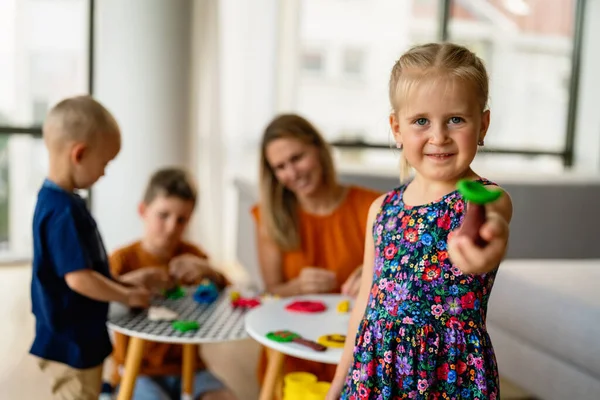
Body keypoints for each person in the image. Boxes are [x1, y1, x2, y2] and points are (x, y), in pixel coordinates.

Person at [327, 42, 513, 400]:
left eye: (456, 119)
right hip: (375, 374)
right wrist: (338, 383)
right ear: (397, 128)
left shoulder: (486, 199)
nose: (438, 135)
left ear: (483, 124)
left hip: (451, 378)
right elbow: (366, 299)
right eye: (421, 121)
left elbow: (490, 231)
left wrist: (483, 246)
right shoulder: (381, 209)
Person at [30, 95, 151, 400]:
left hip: (76, 335)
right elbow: (78, 278)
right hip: (72, 341)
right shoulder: (63, 211)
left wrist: (122, 282)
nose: (105, 172)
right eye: (105, 163)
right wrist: (126, 295)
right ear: (80, 154)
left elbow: (84, 267)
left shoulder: (58, 201)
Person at [251, 114, 381, 382]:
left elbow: (400, 284)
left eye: (297, 158)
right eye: (280, 167)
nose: (292, 173)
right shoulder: (270, 217)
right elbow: (271, 292)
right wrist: (297, 286)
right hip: (294, 348)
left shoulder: (371, 207)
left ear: (319, 150)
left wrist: (373, 275)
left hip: (355, 352)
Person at [109, 167, 237, 400]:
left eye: (181, 220)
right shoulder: (122, 259)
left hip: (191, 367)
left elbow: (231, 298)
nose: (171, 228)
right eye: (163, 215)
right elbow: (98, 300)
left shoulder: (193, 255)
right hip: (138, 370)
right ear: (143, 210)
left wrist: (211, 272)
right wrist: (130, 284)